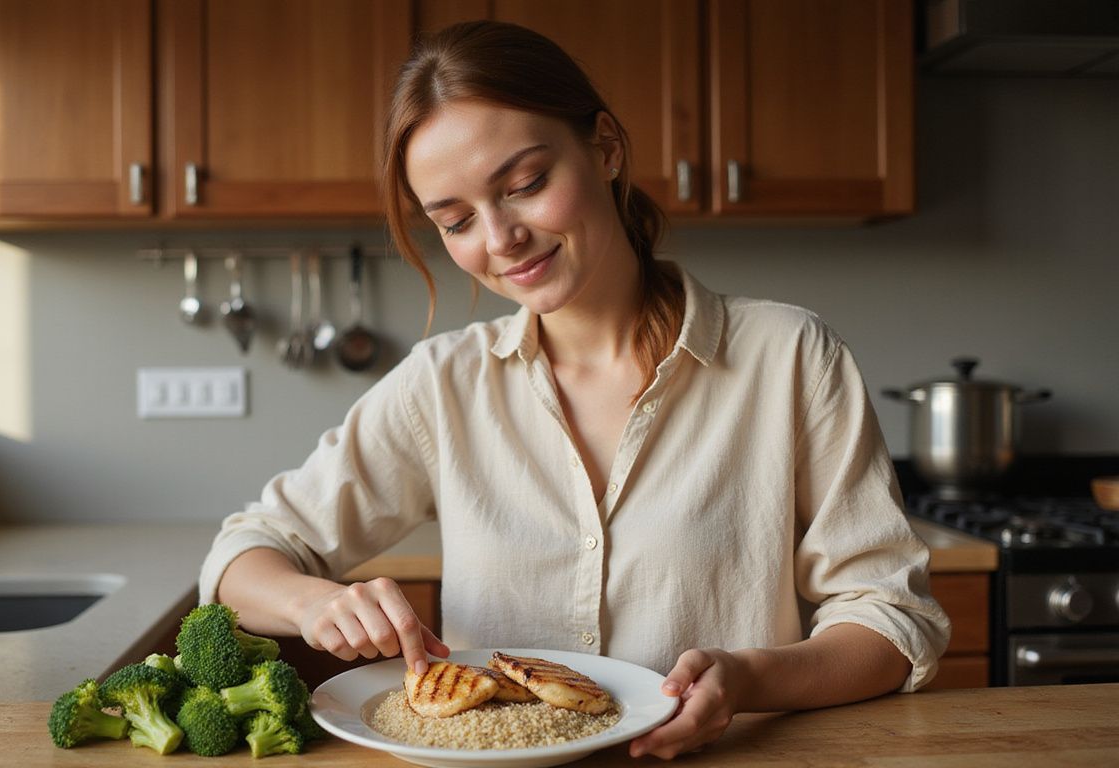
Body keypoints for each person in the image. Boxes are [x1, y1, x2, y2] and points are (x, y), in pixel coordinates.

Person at [200, 20, 949, 760]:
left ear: (607, 147)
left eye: (525, 184)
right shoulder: (443, 384)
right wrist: (318, 601)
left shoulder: (789, 357)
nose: (499, 239)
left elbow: (890, 620)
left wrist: (751, 676)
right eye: (455, 220)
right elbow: (244, 556)